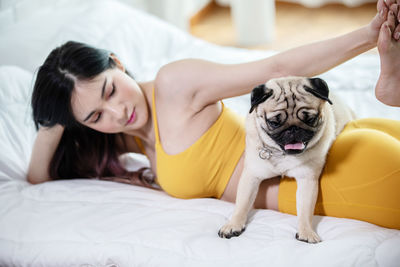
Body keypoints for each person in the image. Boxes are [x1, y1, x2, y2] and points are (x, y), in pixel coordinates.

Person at [28, 0, 400, 230]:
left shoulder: (174, 85)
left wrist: (370, 34)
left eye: (110, 90)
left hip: (338, 176)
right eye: (95, 116)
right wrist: (55, 116)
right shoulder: (126, 136)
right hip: (346, 148)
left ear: (118, 63)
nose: (117, 111)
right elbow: (38, 179)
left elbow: (279, 65)